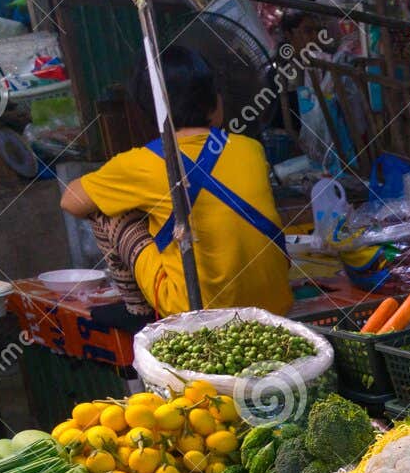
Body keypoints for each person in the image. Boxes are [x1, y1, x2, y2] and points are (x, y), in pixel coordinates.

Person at [59, 46, 292, 318]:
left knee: (107, 210)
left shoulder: (141, 163)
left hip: (196, 312)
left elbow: (70, 201)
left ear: (148, 110)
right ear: (215, 101)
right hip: (275, 305)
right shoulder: (251, 149)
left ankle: (139, 312)